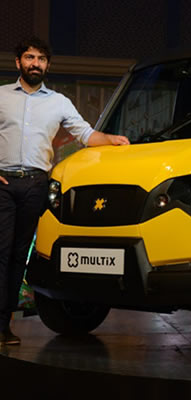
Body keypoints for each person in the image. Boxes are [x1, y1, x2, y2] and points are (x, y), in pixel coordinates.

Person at [0, 37, 130, 346]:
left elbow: (85, 134)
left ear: (47, 65)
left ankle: (4, 326)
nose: (36, 63)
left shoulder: (58, 102)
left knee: (19, 256)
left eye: (41, 59)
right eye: (30, 57)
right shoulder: (2, 95)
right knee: (1, 253)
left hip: (35, 184)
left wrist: (111, 139)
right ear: (18, 62)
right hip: (3, 184)